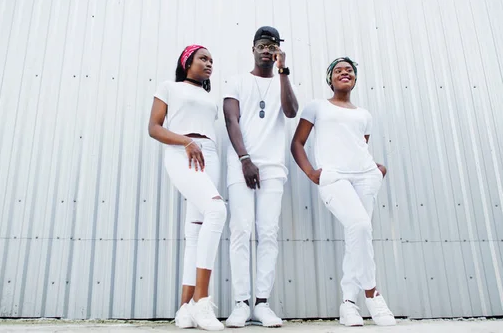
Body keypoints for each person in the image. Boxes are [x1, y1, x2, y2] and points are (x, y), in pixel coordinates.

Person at [290, 57, 396, 327]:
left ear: (355, 79)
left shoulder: (364, 115)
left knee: (357, 236)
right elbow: (297, 144)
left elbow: (360, 147)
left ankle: (348, 304)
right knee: (360, 226)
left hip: (365, 178)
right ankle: (372, 293)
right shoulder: (317, 107)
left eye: (349, 70)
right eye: (338, 71)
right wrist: (312, 173)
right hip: (334, 177)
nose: (344, 73)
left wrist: (376, 170)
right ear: (330, 79)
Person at [223, 27, 299, 328]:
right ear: (252, 48)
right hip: (241, 164)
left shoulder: (283, 80)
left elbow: (292, 111)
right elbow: (231, 119)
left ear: (278, 51)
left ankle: (262, 304)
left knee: (268, 232)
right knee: (241, 230)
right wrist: (245, 159)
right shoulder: (237, 81)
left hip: (273, 168)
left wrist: (284, 71)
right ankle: (240, 303)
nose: (266, 50)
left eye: (272, 46)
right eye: (262, 45)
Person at [148, 45, 226, 331]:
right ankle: (202, 302)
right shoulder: (169, 87)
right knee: (217, 209)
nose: (209, 64)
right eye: (203, 58)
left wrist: (201, 146)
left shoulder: (209, 97)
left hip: (210, 154)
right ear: (186, 62)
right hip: (183, 152)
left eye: (212, 60)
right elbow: (154, 128)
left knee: (195, 227)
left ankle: (184, 309)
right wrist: (186, 142)